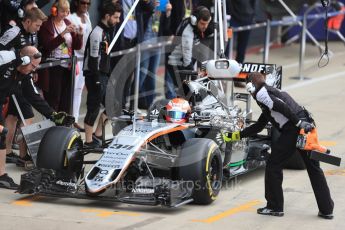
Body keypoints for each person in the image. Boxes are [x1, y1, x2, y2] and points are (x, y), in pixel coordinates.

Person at [223, 72, 334, 219]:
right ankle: (327, 210)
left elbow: (281, 107)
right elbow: (259, 125)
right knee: (314, 168)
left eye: (247, 87)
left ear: (250, 86)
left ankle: (275, 207)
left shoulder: (262, 94)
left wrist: (299, 124)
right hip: (304, 125)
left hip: (295, 129)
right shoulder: (268, 94)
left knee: (273, 165)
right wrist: (235, 136)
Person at [0, 47, 74, 189]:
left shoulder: (24, 73)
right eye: (33, 66)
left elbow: (33, 96)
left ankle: (1, 176)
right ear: (24, 59)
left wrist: (53, 115)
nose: (34, 70)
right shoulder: (4, 59)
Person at [0, 7, 47, 165]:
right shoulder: (13, 31)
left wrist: (31, 69)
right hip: (10, 77)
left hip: (21, 76)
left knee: (13, 116)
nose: (38, 29)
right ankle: (14, 152)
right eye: (37, 25)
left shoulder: (31, 35)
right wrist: (14, 66)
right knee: (24, 114)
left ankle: (8, 151)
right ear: (27, 21)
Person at [83, 2, 122, 148]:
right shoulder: (97, 33)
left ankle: (98, 134)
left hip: (104, 75)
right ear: (107, 16)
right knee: (93, 108)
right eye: (116, 18)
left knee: (113, 106)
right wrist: (97, 80)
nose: (118, 21)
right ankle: (88, 141)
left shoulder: (107, 31)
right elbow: (93, 60)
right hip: (94, 76)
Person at [38, 0, 83, 113]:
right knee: (54, 100)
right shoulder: (46, 24)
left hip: (67, 67)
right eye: (63, 11)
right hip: (53, 66)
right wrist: (63, 33)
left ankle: (63, 127)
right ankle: (52, 126)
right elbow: (48, 46)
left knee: (66, 100)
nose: (65, 14)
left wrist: (80, 35)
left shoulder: (67, 22)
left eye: (67, 11)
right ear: (54, 11)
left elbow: (76, 47)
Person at [166, 6, 212, 99]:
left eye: (207, 23)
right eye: (203, 23)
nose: (205, 27)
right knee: (186, 93)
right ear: (195, 20)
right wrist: (195, 76)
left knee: (189, 93)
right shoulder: (188, 32)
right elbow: (187, 60)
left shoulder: (195, 26)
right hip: (176, 63)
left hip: (184, 61)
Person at [67, 0, 93, 132]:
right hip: (75, 57)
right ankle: (70, 119)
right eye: (83, 2)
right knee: (72, 90)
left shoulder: (87, 16)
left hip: (85, 57)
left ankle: (75, 119)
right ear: (76, 3)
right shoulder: (70, 17)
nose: (86, 5)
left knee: (78, 90)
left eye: (88, 3)